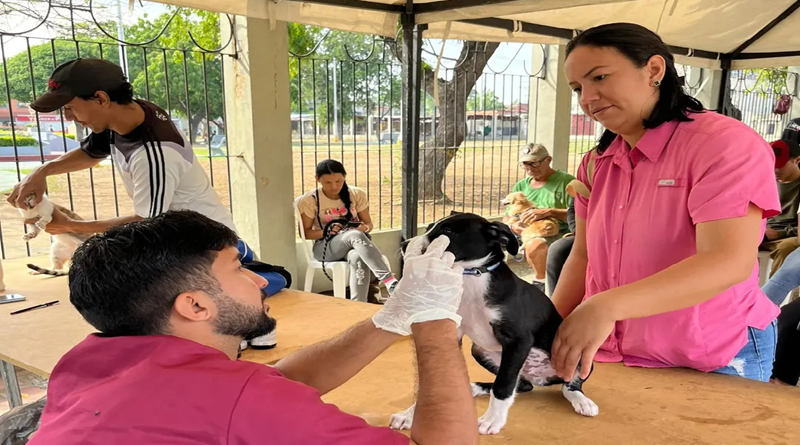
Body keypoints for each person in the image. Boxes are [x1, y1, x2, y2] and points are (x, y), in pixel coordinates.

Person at [27, 210, 478, 445]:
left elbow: (274, 382)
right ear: (196, 305)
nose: (261, 279)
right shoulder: (238, 402)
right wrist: (435, 322)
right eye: (238, 268)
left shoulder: (85, 365)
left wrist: (393, 318)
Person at [550, 22, 780, 383]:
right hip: (617, 350)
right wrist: (541, 326)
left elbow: (728, 260)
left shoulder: (723, 145)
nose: (587, 99)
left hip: (714, 353)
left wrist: (605, 306)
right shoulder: (597, 162)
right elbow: (583, 255)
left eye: (600, 77)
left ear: (654, 70)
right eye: (578, 88)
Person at [5, 57, 287, 348]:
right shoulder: (125, 117)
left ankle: (252, 310)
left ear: (100, 98)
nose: (69, 117)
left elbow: (147, 223)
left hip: (201, 245)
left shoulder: (154, 154)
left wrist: (71, 225)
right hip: (175, 238)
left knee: (199, 324)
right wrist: (41, 172)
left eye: (70, 107)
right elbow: (92, 152)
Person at [297, 159, 398, 302]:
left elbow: (368, 224)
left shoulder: (356, 194)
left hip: (355, 245)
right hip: (325, 248)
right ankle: (389, 281)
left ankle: (358, 306)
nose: (334, 186)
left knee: (357, 256)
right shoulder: (310, 200)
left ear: (345, 177)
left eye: (338, 181)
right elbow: (305, 233)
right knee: (354, 234)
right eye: (328, 182)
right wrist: (327, 231)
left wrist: (363, 228)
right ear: (317, 179)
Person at [504, 143, 575, 283]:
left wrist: (549, 212)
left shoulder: (567, 182)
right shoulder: (521, 186)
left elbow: (579, 215)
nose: (529, 169)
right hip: (528, 231)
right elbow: (508, 216)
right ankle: (544, 283)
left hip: (560, 232)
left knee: (535, 246)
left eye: (534, 163)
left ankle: (543, 283)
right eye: (525, 164)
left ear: (548, 160)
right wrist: (513, 227)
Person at [759, 119, 800, 276]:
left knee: (787, 248)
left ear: (797, 160)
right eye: (772, 164)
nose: (775, 169)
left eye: (781, 164)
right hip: (761, 233)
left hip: (788, 237)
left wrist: (780, 234)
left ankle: (771, 298)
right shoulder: (763, 180)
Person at [545, 200, 576, 297]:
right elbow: (573, 210)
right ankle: (553, 299)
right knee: (558, 249)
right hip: (585, 233)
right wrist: (578, 230)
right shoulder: (582, 186)